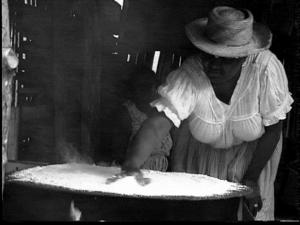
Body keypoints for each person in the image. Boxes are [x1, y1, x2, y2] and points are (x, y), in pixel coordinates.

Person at [120, 6, 294, 221]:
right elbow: (158, 123)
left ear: (243, 57)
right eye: (208, 56)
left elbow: (274, 129)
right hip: (201, 164)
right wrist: (131, 165)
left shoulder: (264, 69)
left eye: (224, 59)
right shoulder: (191, 74)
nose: (213, 65)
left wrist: (251, 179)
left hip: (254, 159)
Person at [109, 66, 172, 172]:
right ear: (132, 89)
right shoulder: (127, 113)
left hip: (161, 176)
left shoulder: (162, 113)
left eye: (151, 86)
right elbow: (119, 153)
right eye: (142, 87)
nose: (148, 90)